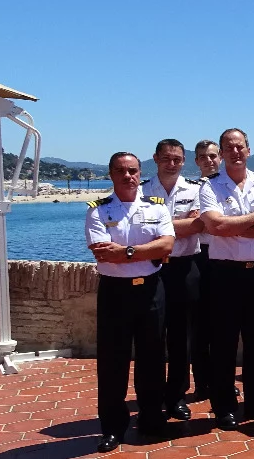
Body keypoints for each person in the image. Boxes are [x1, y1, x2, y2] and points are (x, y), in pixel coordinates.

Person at [85, 152, 174, 452]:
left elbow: (167, 245)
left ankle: (151, 419)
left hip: (150, 290)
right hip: (114, 292)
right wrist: (145, 252)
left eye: (133, 170)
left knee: (152, 358)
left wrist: (126, 253)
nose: (128, 176)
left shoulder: (156, 208)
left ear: (140, 173)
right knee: (113, 362)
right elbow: (101, 252)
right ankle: (112, 427)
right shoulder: (98, 211)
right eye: (121, 171)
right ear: (111, 174)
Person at [198, 128, 254, 430]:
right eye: (228, 148)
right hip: (224, 274)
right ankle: (223, 407)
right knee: (222, 342)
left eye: (240, 147)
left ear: (248, 150)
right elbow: (216, 227)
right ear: (222, 154)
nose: (235, 152)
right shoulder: (209, 187)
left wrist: (234, 226)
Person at [141, 139, 203, 423]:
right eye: (166, 158)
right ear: (156, 158)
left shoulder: (196, 190)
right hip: (152, 268)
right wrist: (180, 224)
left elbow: (200, 225)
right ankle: (151, 399)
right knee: (152, 337)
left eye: (177, 159)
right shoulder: (141, 191)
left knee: (182, 338)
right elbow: (137, 230)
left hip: (184, 268)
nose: (172, 163)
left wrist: (159, 225)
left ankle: (177, 397)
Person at [190, 139, 235, 400]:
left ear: (221, 157)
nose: (209, 160)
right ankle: (202, 382)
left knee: (223, 324)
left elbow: (220, 223)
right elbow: (198, 225)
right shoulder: (191, 189)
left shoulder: (227, 186)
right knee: (199, 325)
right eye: (203, 157)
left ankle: (222, 381)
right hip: (199, 256)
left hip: (225, 257)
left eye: (213, 156)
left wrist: (214, 222)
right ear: (196, 161)